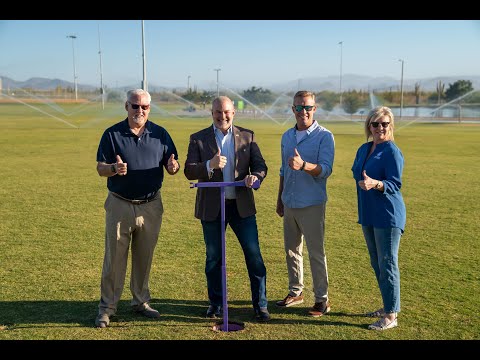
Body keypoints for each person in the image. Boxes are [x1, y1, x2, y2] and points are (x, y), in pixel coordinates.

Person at [94, 89, 180, 328]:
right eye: (135, 106)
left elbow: (172, 164)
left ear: (149, 108)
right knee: (114, 259)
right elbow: (101, 168)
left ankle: (140, 302)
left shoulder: (160, 134)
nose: (139, 111)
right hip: (120, 204)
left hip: (151, 206)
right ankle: (107, 307)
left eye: (144, 107)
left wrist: (173, 166)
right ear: (126, 106)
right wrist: (114, 168)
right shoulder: (112, 134)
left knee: (144, 258)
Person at [184, 96, 270, 322]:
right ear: (211, 113)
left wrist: (255, 177)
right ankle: (216, 304)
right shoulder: (198, 139)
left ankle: (260, 305)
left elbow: (260, 166)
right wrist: (209, 166)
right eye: (218, 112)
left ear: (234, 112)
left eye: (227, 112)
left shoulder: (247, 136)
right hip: (212, 207)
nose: (222, 116)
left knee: (254, 256)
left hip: (241, 207)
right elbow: (189, 171)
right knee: (214, 258)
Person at [275, 90, 335, 317]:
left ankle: (322, 300)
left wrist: (304, 166)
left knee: (316, 253)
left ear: (315, 109)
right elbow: (282, 170)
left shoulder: (324, 136)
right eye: (299, 107)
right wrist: (280, 198)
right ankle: (295, 291)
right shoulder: (287, 136)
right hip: (289, 202)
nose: (304, 112)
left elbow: (326, 170)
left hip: (312, 204)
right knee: (292, 251)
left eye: (308, 107)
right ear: (293, 110)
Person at [351, 106, 406, 330]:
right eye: (375, 124)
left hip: (388, 215)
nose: (380, 128)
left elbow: (395, 183)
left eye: (384, 124)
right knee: (377, 264)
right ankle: (387, 305)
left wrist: (377, 183)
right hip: (368, 213)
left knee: (388, 263)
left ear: (390, 126)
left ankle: (391, 315)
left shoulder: (392, 151)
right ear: (369, 126)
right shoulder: (364, 149)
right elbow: (356, 172)